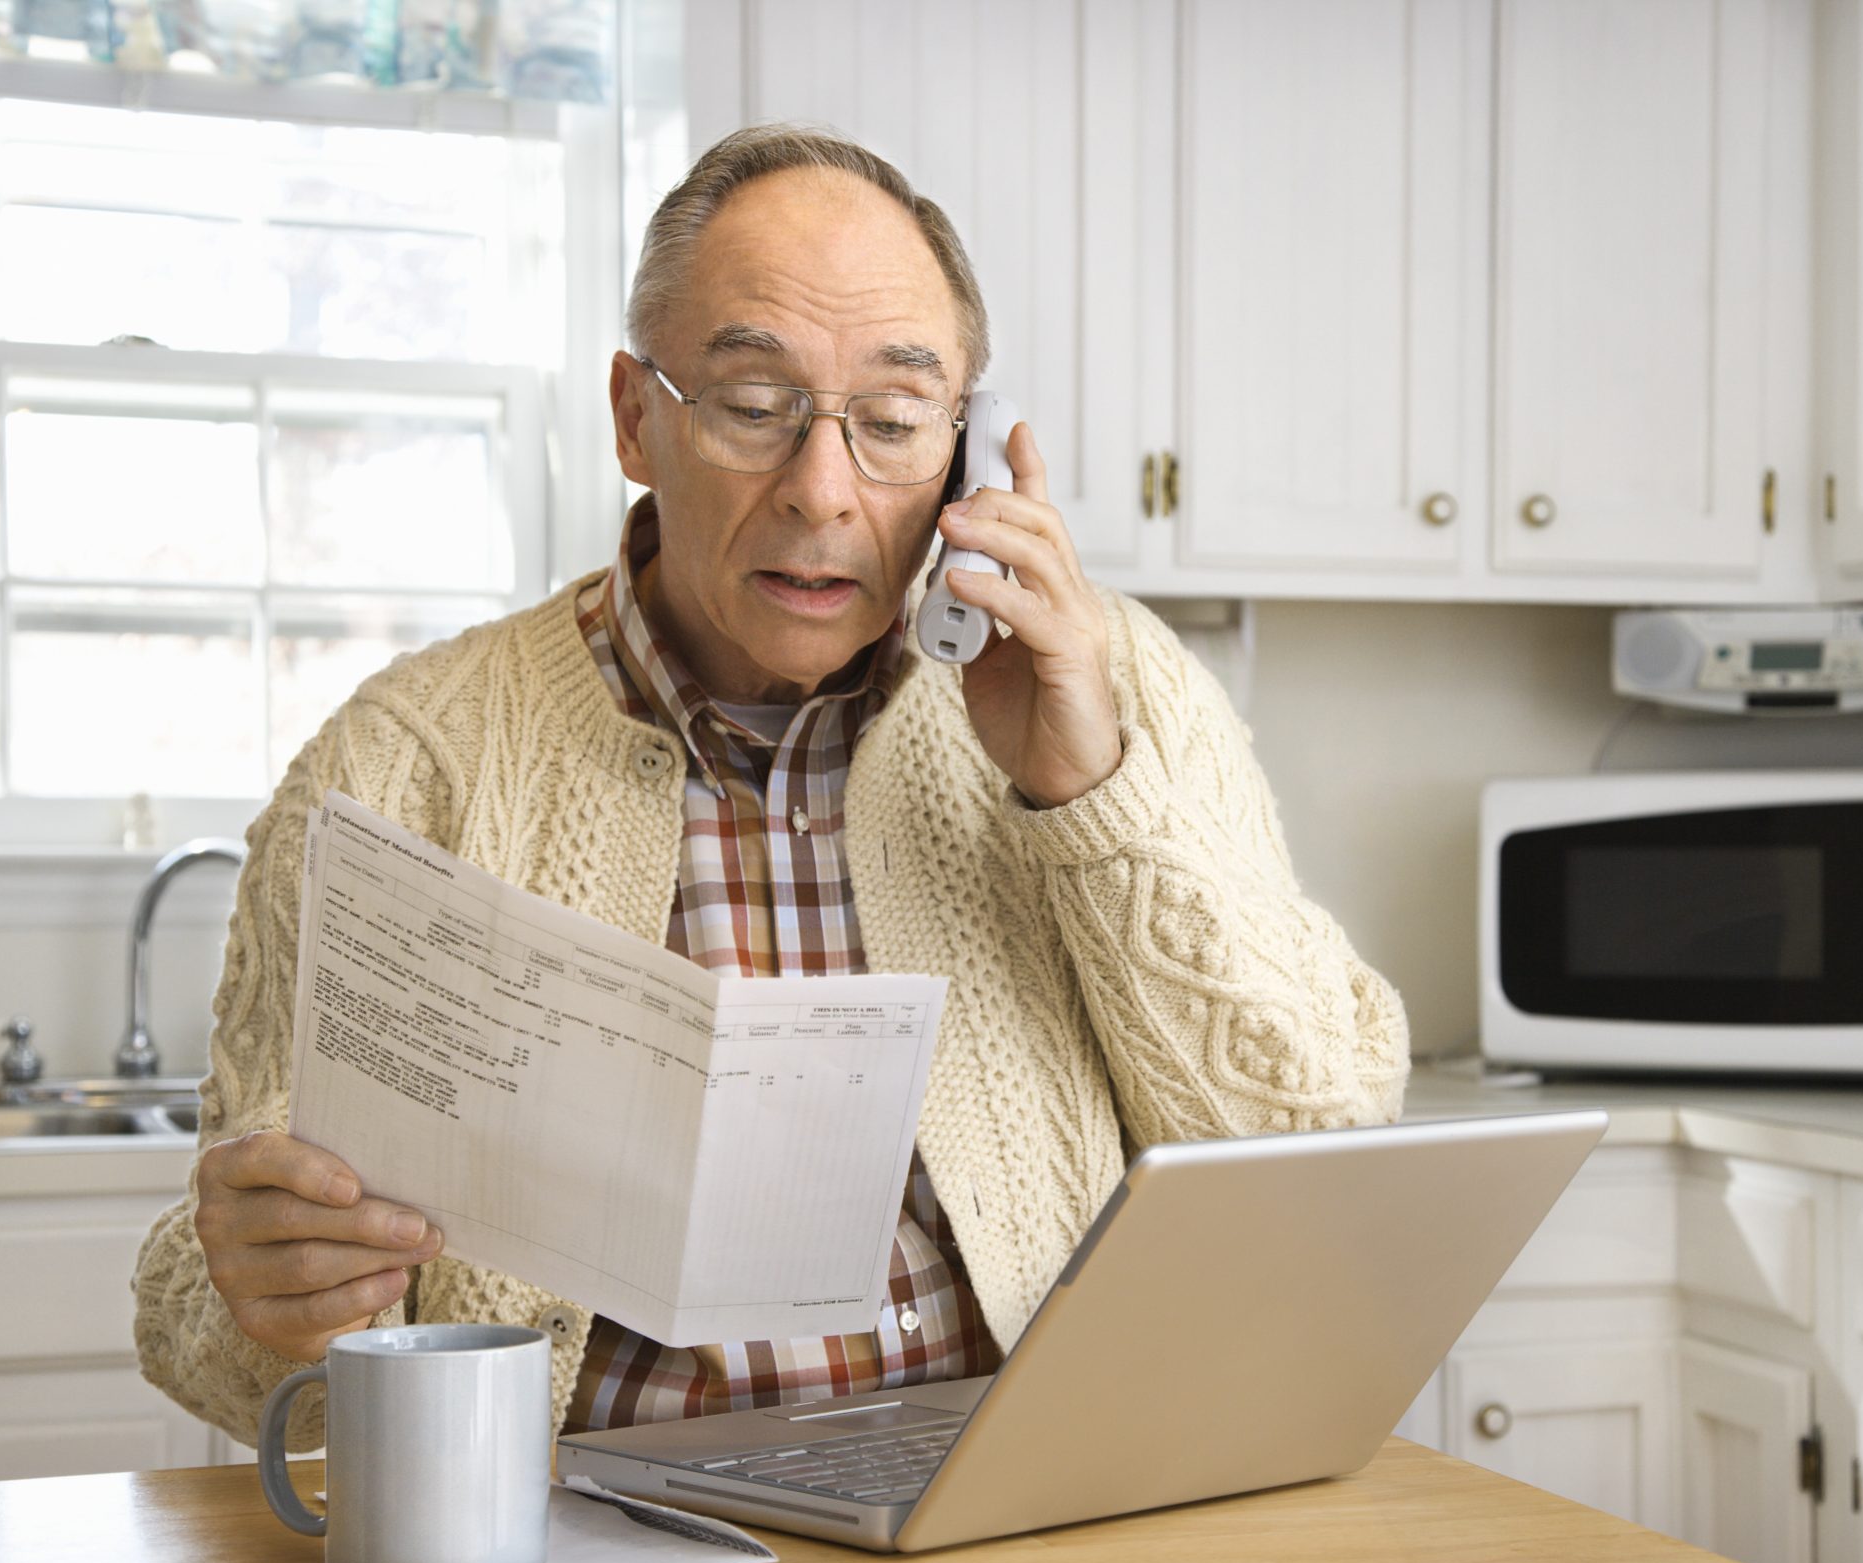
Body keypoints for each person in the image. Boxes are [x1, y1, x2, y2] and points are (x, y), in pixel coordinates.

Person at [134, 124, 1409, 1445]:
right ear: (639, 419)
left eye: (896, 425)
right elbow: (223, 1321)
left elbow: (1312, 1149)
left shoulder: (1112, 685)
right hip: (584, 1560)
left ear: (967, 452)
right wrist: (270, 1304)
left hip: (1028, 1530)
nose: (822, 492)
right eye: (753, 409)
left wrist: (1088, 792)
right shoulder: (406, 763)